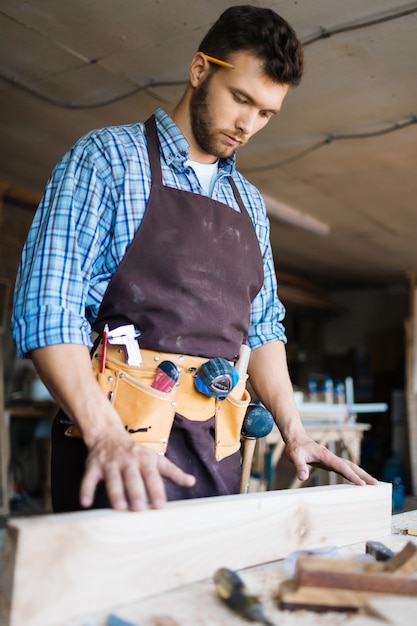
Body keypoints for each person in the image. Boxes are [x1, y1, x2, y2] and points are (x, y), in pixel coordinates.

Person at [11, 5, 377, 513]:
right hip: (116, 459)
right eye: (240, 99)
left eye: (266, 113)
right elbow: (47, 310)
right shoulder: (108, 160)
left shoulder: (249, 204)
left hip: (216, 460)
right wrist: (106, 435)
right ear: (200, 69)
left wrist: (295, 431)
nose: (247, 125)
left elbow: (264, 327)